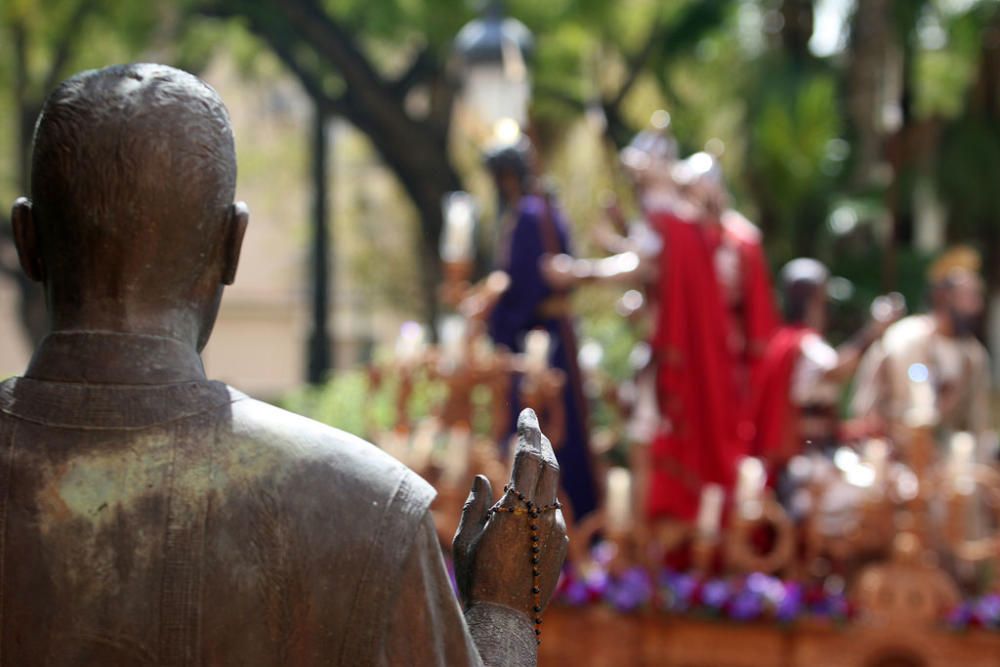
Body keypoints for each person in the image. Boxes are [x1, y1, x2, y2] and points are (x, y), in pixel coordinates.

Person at [1, 64, 567, 666]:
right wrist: (503, 611)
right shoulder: (364, 511)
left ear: (27, 240)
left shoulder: (366, 512)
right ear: (231, 246)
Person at [545, 145, 778, 522]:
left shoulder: (709, 234)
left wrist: (578, 272)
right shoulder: (686, 230)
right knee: (651, 441)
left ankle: (655, 536)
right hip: (677, 348)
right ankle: (644, 538)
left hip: (707, 355)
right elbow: (655, 271)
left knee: (658, 442)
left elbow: (643, 264)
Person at [484, 132, 599, 522]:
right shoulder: (535, 213)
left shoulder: (533, 216)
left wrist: (497, 311)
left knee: (546, 422)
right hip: (546, 333)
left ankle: (554, 514)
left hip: (540, 338)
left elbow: (526, 283)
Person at [750, 259, 901, 484]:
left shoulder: (781, 341)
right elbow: (837, 369)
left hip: (793, 457)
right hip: (803, 461)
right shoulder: (805, 343)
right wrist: (873, 331)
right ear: (813, 302)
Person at [851, 246, 992, 445]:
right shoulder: (905, 339)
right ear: (944, 297)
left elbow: (977, 420)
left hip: (948, 462)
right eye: (969, 296)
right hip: (894, 452)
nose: (977, 306)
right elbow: (879, 404)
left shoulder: (974, 355)